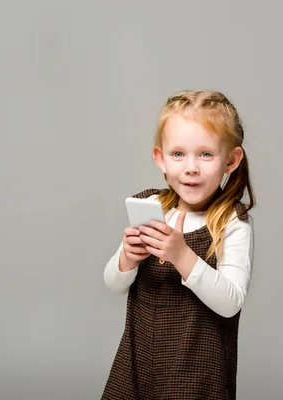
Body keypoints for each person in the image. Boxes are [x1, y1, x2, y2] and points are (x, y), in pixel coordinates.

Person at [101, 90, 256, 400]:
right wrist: (127, 259)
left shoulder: (230, 221)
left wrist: (182, 255)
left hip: (198, 369)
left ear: (231, 160)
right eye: (178, 154)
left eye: (206, 154)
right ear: (160, 157)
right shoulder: (151, 206)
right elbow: (113, 284)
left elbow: (231, 302)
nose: (191, 167)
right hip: (139, 360)